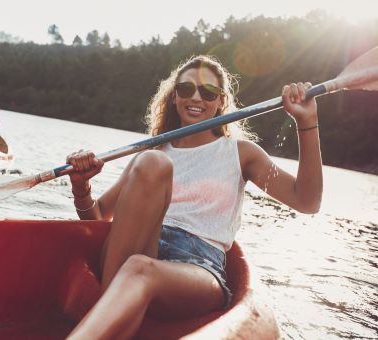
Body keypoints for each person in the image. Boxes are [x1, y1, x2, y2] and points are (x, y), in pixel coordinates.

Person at [65, 55, 322, 339]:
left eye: (207, 92)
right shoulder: (154, 152)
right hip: (134, 255)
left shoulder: (240, 153)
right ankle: (112, 312)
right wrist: (81, 187)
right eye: (186, 89)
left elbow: (307, 201)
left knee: (140, 269)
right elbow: (98, 217)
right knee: (152, 165)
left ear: (220, 101)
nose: (195, 97)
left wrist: (306, 121)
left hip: (198, 268)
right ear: (175, 97)